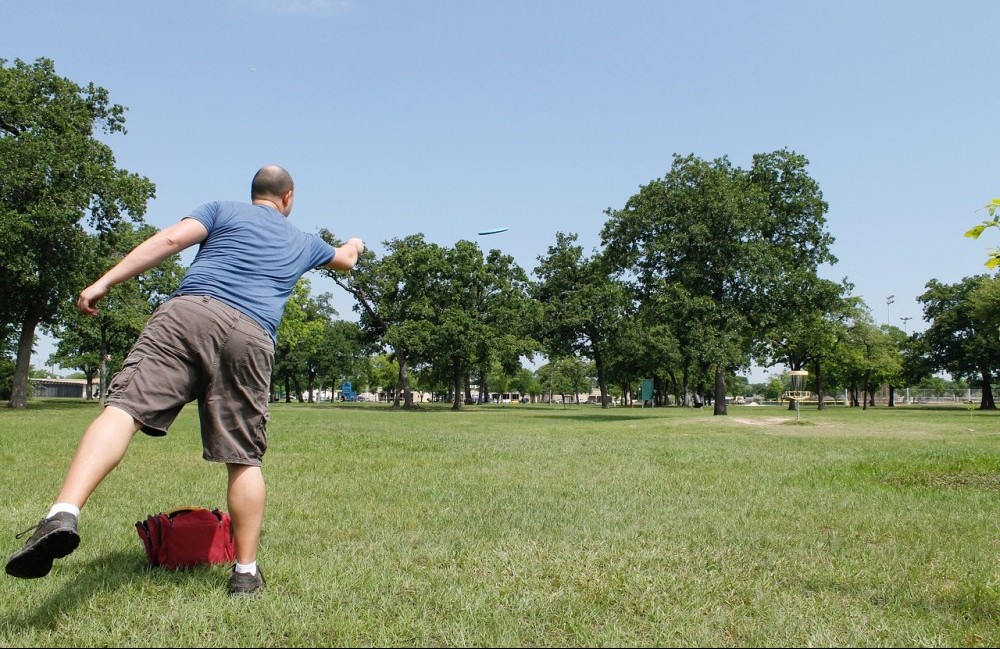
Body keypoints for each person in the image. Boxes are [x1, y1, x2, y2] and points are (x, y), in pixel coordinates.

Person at [5, 165, 365, 597]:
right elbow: (345, 260)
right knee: (245, 458)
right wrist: (355, 243)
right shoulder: (304, 241)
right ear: (288, 197)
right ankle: (245, 574)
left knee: (124, 410)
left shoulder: (221, 210)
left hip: (189, 314)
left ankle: (63, 512)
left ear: (254, 192)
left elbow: (171, 240)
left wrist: (105, 281)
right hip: (252, 336)